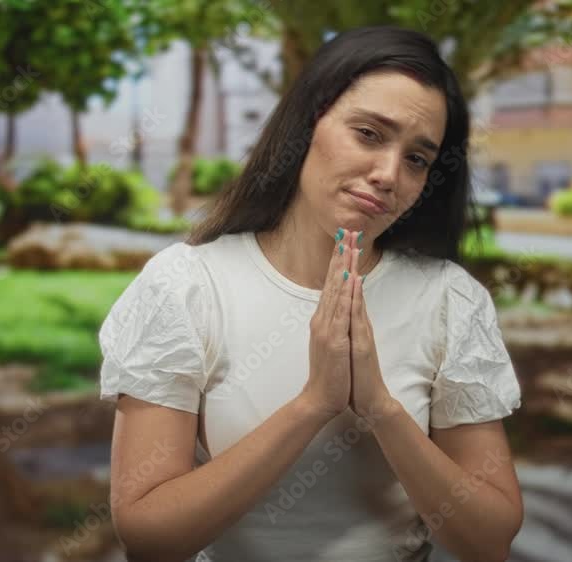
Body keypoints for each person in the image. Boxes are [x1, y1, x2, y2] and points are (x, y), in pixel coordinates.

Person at [98, 25, 523, 562]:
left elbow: (489, 541)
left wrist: (381, 408)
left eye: (417, 159)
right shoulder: (186, 286)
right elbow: (149, 537)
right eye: (369, 134)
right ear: (306, 124)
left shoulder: (449, 300)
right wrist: (314, 404)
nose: (388, 174)